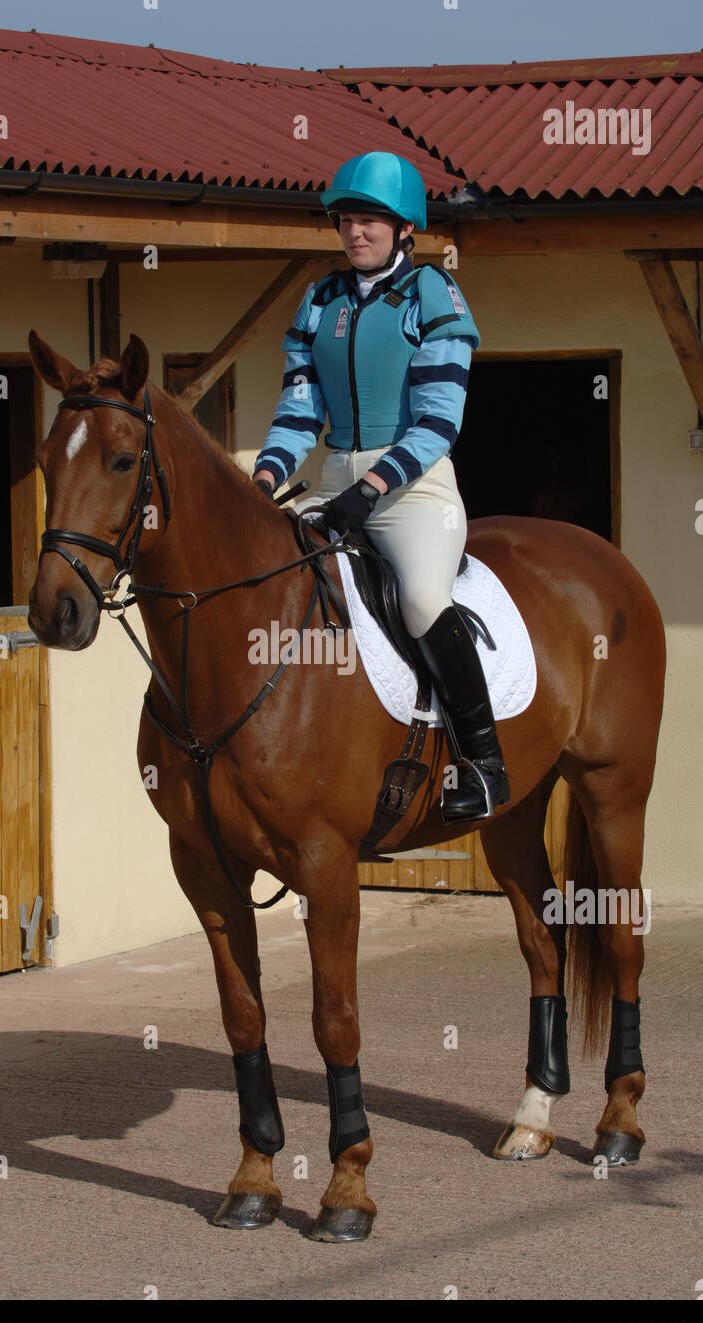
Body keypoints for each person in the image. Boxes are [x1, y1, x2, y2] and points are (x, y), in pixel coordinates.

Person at [253, 150, 509, 823]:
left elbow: (436, 422)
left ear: (403, 228)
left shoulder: (433, 295)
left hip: (413, 487)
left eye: (369, 219)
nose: (354, 231)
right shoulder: (320, 300)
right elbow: (299, 409)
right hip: (335, 477)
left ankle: (482, 765)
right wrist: (266, 474)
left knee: (423, 599)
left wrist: (367, 493)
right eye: (345, 219)